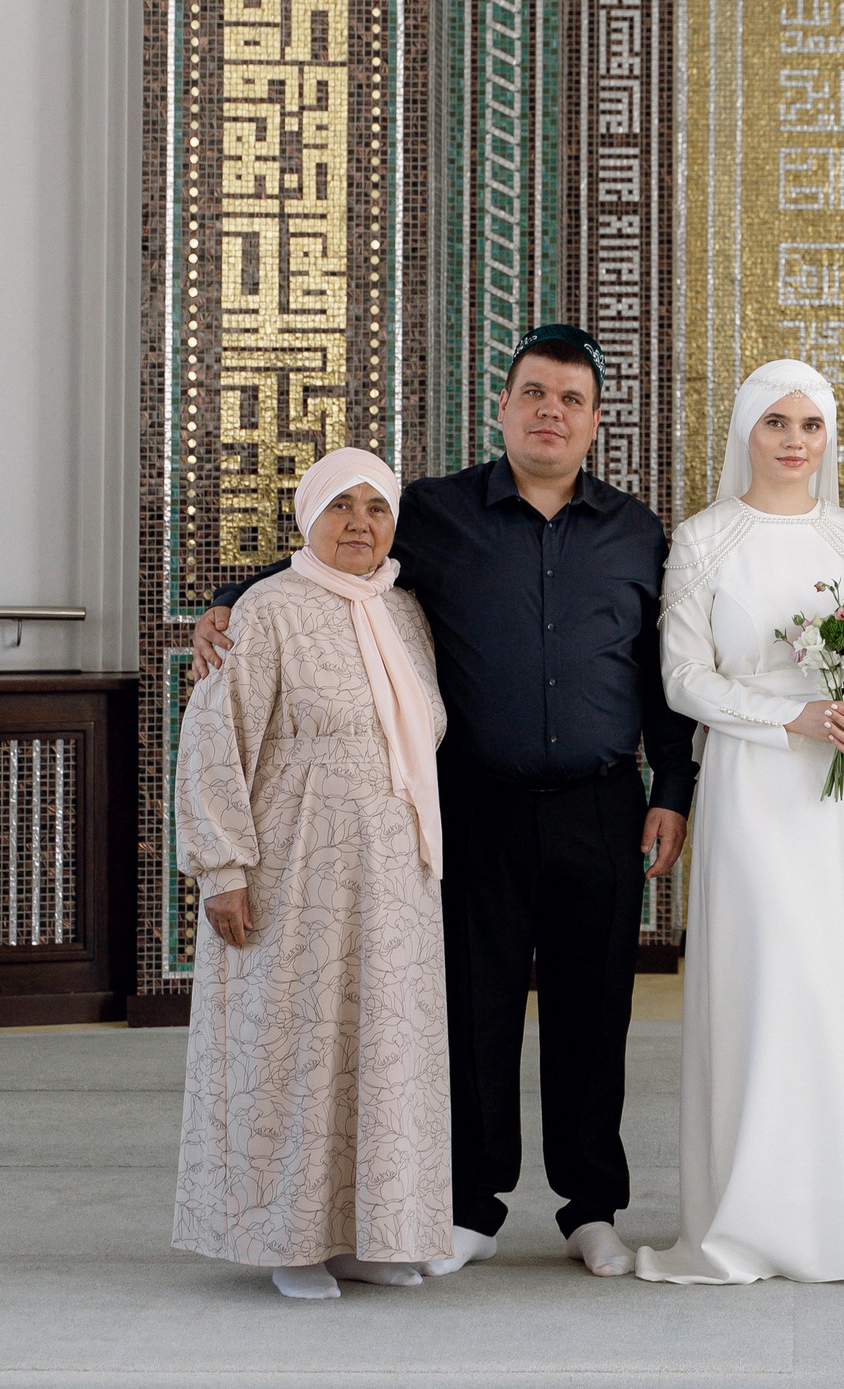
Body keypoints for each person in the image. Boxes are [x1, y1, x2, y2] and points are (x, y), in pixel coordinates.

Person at [190, 326, 694, 1281]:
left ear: (595, 421)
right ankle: (472, 1207)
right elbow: (334, 557)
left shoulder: (635, 532)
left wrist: (672, 787)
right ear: (503, 407)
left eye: (572, 400)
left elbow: (658, 673)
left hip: (601, 807)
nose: (551, 414)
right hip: (474, 807)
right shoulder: (433, 512)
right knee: (472, 1010)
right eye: (534, 394)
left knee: (596, 1015)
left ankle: (592, 1208)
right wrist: (227, 600)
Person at [636, 362, 844, 1284]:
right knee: (764, 988)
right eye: (776, 423)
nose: (795, 441)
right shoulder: (704, 538)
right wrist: (791, 717)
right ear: (746, 431)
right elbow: (683, 677)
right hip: (752, 787)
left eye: (811, 425)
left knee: (843, 988)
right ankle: (746, 1221)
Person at [173, 449, 450, 1297]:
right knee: (297, 1043)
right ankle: (288, 1243)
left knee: (381, 1048)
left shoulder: (404, 611)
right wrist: (223, 868)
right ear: (307, 517)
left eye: (376, 507)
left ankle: (370, 1233)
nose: (359, 523)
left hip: (395, 875)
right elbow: (214, 736)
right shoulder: (266, 610)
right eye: (340, 506)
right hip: (297, 868)